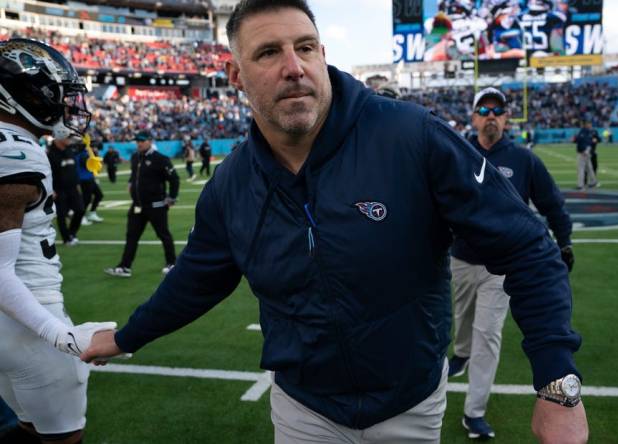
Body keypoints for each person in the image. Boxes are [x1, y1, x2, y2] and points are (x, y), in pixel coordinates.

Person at [82, 2, 588, 444]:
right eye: (268, 53)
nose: (294, 67)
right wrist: (127, 337)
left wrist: (557, 385)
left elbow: (527, 247)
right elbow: (197, 279)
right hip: (305, 408)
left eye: (305, 47)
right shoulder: (231, 185)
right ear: (236, 77)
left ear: (323, 55)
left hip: (409, 401)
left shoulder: (410, 136)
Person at [0, 37, 119, 444]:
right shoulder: (17, 151)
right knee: (62, 439)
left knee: (27, 428)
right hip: (30, 319)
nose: (67, 105)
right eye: (59, 94)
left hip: (11, 325)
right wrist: (62, 335)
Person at [447, 87, 574, 439]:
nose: (490, 114)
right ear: (473, 117)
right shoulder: (455, 153)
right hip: (460, 258)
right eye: (483, 109)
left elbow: (552, 202)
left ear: (506, 118)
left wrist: (564, 240)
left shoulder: (523, 159)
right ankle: (460, 352)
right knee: (463, 320)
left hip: (501, 268)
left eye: (497, 110)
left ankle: (474, 411)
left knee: (488, 335)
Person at [104, 131, 179, 278]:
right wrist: (131, 183)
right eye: (137, 140)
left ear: (150, 141)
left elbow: (174, 179)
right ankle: (125, 267)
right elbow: (134, 175)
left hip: (156, 205)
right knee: (131, 236)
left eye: (142, 140)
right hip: (137, 206)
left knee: (163, 234)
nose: (139, 143)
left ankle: (172, 263)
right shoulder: (135, 157)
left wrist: (171, 198)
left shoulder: (160, 159)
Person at [46, 136, 86, 245]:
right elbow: (48, 173)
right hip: (59, 189)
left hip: (73, 187)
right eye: (67, 138)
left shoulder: (70, 150)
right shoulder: (51, 154)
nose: (69, 140)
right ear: (59, 139)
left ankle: (72, 233)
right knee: (62, 214)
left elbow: (73, 169)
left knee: (80, 210)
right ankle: (66, 239)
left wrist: (77, 184)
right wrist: (51, 189)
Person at [76, 143, 104, 224]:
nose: (95, 148)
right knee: (86, 199)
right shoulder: (83, 154)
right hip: (83, 179)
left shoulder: (87, 154)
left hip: (89, 178)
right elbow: (87, 165)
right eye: (93, 146)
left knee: (99, 195)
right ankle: (81, 217)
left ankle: (92, 213)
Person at [575, 122, 598, 190]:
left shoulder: (583, 132)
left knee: (581, 168)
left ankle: (580, 184)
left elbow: (582, 141)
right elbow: (590, 141)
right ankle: (593, 181)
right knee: (589, 168)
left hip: (583, 152)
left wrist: (584, 150)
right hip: (587, 151)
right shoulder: (589, 132)